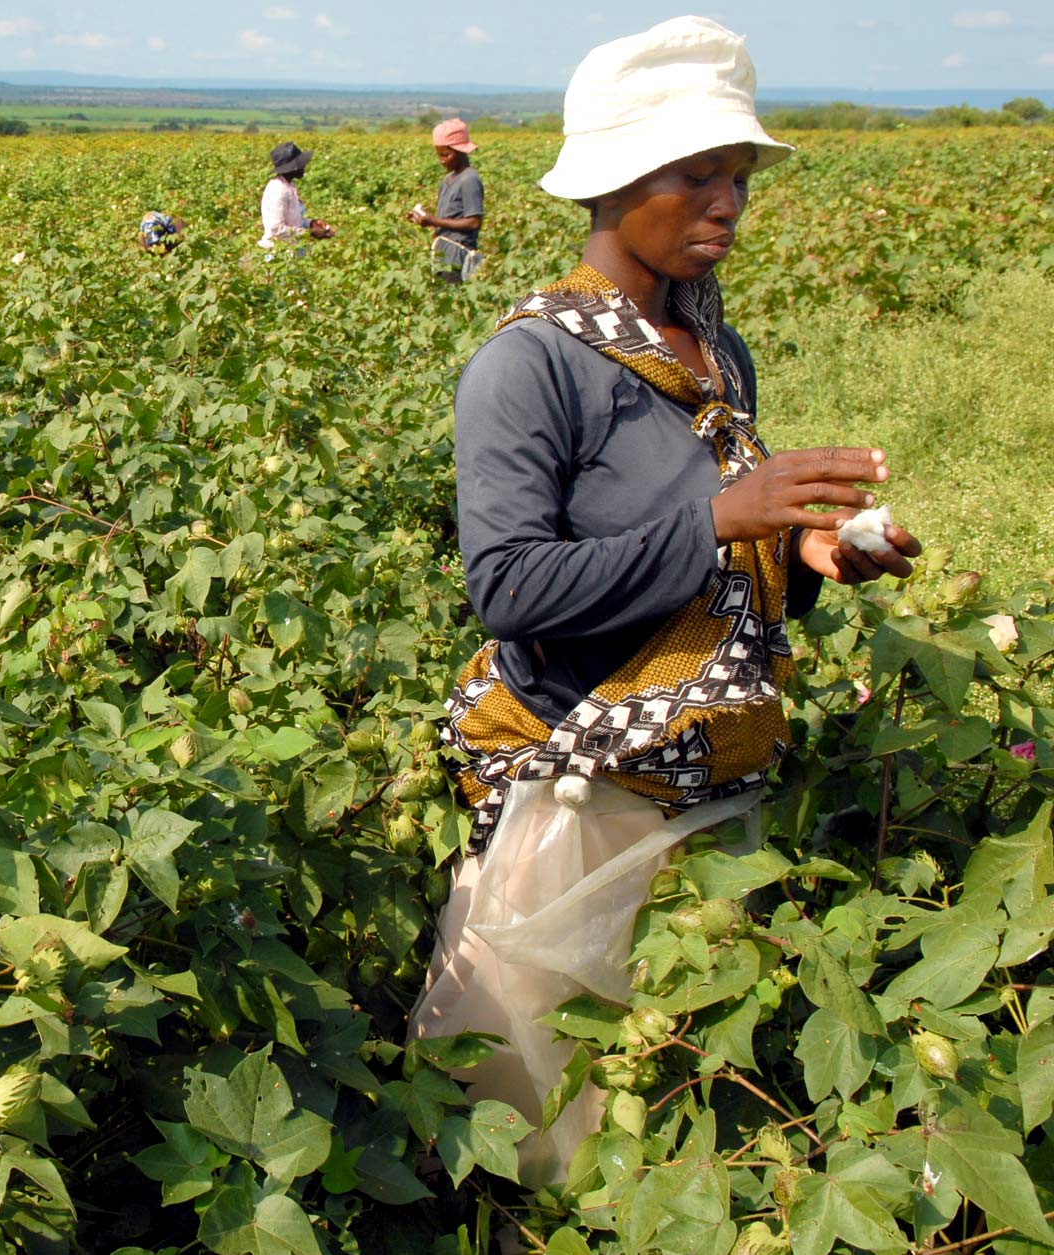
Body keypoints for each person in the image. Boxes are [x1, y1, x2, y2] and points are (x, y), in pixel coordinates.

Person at [413, 17, 920, 1183]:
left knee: (666, 1093)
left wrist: (805, 558)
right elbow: (508, 586)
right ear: (612, 180)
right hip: (581, 787)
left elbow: (710, 560)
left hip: (705, 772)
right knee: (540, 1124)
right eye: (695, 174)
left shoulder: (710, 349)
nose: (725, 202)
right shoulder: (529, 363)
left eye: (734, 178)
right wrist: (722, 519)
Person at [406, 118, 485, 283]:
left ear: (461, 151)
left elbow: (474, 222)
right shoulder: (448, 179)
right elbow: (450, 217)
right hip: (444, 251)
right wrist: (423, 219)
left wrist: (434, 220)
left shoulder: (469, 179)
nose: (442, 160)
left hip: (459, 254)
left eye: (446, 155)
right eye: (439, 155)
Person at [259, 141, 333, 251]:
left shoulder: (289, 186)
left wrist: (310, 223)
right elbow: (276, 229)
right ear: (292, 168)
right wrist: (310, 233)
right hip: (277, 252)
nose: (304, 166)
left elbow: (292, 221)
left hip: (292, 248)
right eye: (300, 164)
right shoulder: (278, 190)